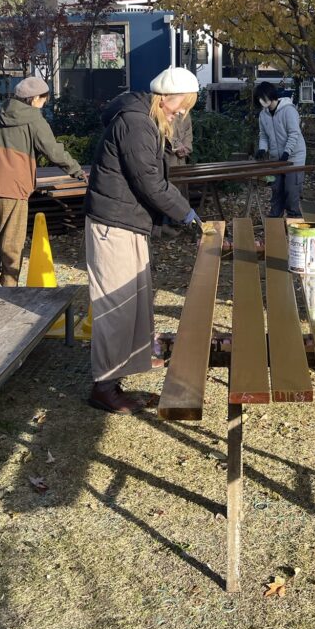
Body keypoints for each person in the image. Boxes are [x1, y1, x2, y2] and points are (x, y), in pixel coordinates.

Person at [83, 67, 202, 414]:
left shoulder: (146, 120)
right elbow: (149, 181)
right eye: (181, 104)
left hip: (129, 221)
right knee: (116, 305)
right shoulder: (135, 122)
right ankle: (104, 387)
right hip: (113, 223)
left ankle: (125, 369)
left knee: (136, 299)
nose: (182, 112)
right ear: (164, 98)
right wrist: (186, 213)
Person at [0, 76, 86, 287]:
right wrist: (77, 171)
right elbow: (53, 151)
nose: (44, 104)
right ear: (35, 98)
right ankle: (9, 286)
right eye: (44, 99)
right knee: (12, 238)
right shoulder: (34, 119)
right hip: (13, 186)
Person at [254, 81, 306, 218]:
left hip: (294, 158)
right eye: (258, 99)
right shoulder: (263, 115)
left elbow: (294, 133)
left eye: (262, 97)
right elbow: (263, 135)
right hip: (275, 159)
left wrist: (287, 152)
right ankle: (274, 219)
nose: (260, 101)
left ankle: (294, 219)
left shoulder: (288, 110)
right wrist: (262, 149)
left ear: (270, 95)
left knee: (291, 191)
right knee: (275, 188)